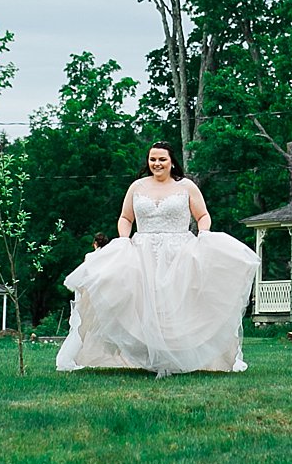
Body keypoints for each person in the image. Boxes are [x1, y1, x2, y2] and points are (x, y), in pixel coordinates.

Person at [57, 142, 260, 376]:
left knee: (174, 306)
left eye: (162, 159)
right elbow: (125, 217)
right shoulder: (137, 187)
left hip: (178, 252)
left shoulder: (186, 186)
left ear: (172, 161)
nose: (157, 163)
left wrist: (203, 235)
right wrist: (124, 239)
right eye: (152, 159)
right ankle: (152, 357)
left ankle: (174, 358)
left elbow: (203, 215)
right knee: (139, 303)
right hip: (142, 251)